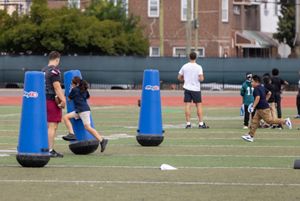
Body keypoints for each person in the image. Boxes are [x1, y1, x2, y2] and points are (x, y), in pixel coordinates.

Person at [62, 76, 108, 152]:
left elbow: (69, 99)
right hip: (80, 110)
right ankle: (71, 134)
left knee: (87, 127)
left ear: (75, 84)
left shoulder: (74, 89)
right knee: (66, 117)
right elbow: (87, 97)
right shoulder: (84, 90)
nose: (71, 85)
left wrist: (68, 91)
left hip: (83, 110)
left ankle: (102, 140)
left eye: (72, 83)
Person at [241, 75, 292, 142]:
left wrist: (253, 107)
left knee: (269, 121)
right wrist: (265, 100)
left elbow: (258, 97)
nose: (251, 83)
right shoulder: (261, 87)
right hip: (260, 108)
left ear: (256, 82)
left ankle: (285, 121)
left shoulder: (256, 89)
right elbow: (269, 93)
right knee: (255, 122)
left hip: (263, 109)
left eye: (252, 81)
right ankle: (250, 136)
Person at [42, 51, 66, 158]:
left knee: (48, 126)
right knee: (52, 126)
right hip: (51, 100)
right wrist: (63, 99)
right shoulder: (54, 71)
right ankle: (49, 150)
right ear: (57, 59)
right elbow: (57, 87)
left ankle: (46, 148)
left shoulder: (43, 70)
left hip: (44, 99)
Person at [177, 51, 209, 129]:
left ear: (189, 57)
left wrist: (185, 79)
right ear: (196, 57)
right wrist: (199, 78)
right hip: (196, 89)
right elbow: (201, 78)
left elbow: (179, 77)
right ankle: (201, 124)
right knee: (198, 105)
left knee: (187, 105)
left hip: (187, 88)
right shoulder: (198, 67)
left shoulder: (184, 66)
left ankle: (188, 124)